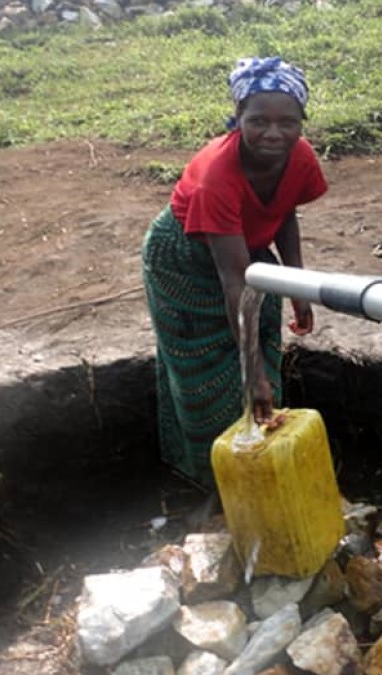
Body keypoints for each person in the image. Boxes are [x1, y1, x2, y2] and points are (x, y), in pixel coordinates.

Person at [141, 56, 328, 483]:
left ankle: (262, 471)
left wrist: (299, 289)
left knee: (265, 347)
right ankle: (207, 480)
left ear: (302, 121)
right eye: (259, 120)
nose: (274, 133)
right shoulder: (216, 178)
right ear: (238, 117)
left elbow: (284, 214)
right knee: (200, 371)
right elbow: (234, 282)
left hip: (249, 253)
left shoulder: (299, 158)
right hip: (184, 261)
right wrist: (253, 377)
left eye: (289, 121)